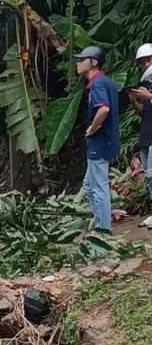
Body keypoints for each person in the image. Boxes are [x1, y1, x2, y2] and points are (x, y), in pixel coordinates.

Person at [74, 45, 121, 234]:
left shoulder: (98, 83)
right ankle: (101, 222)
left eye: (81, 60)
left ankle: (103, 230)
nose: (78, 64)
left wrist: (92, 130)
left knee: (98, 186)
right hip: (105, 141)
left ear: (94, 62)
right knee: (89, 185)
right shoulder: (106, 81)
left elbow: (104, 109)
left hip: (99, 143)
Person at [128, 43, 152, 225]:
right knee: (149, 176)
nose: (145, 65)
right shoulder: (146, 83)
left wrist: (149, 96)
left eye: (148, 60)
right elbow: (143, 112)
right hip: (146, 133)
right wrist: (135, 101)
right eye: (142, 62)